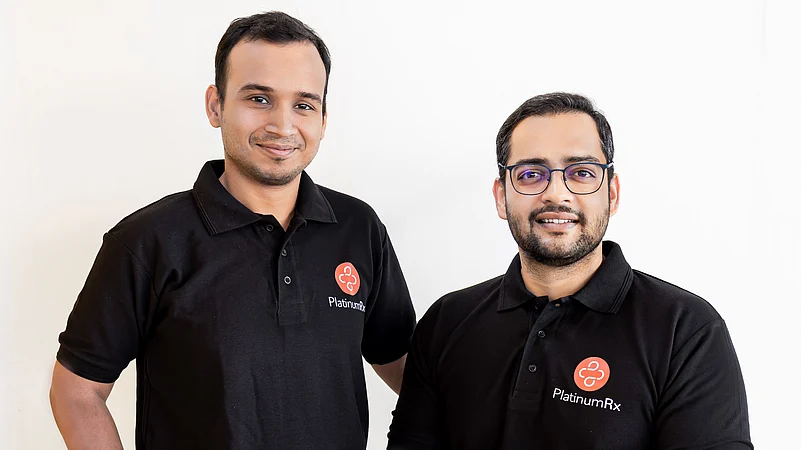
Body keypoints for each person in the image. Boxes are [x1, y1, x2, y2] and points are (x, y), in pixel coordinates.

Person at [49, 11, 416, 450]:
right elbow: (77, 390)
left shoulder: (359, 229)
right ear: (215, 105)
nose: (282, 126)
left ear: (323, 118)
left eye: (303, 104)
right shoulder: (147, 242)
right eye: (259, 99)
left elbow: (409, 372)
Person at [387, 92, 751, 449]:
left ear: (612, 193)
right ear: (501, 197)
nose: (556, 193)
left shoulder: (685, 331)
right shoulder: (445, 323)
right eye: (531, 173)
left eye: (581, 172)